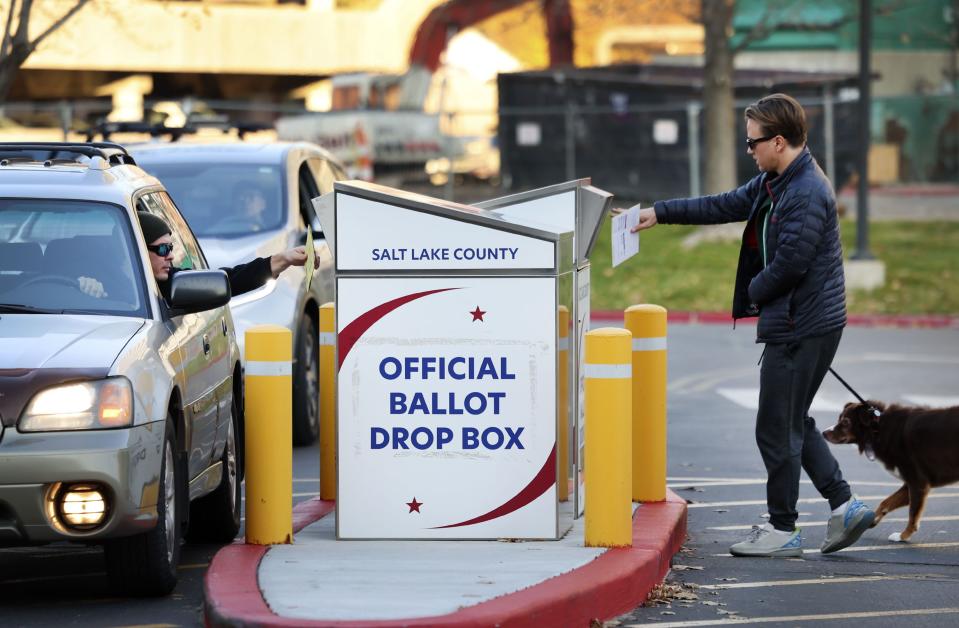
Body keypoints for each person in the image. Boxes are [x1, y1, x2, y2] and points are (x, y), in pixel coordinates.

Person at [623, 93, 875, 557]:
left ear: (778, 141)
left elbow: (790, 266)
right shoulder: (778, 180)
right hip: (808, 322)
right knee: (791, 419)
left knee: (774, 429)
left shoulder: (805, 193)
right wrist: (660, 212)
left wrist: (753, 291)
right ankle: (846, 506)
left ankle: (783, 529)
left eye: (753, 142)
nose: (749, 150)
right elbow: (723, 205)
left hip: (802, 326)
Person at [137, 210, 315, 304]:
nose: (171, 256)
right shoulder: (111, 288)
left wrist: (285, 259)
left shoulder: (172, 281)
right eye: (162, 249)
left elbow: (231, 279)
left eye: (170, 248)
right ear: (140, 251)